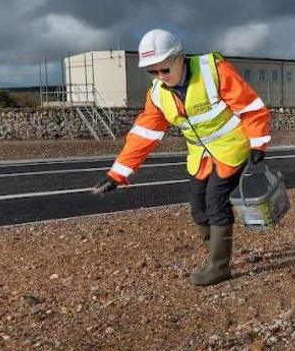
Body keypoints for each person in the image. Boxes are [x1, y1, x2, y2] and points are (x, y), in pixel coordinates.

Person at [92, 28, 270, 286]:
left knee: (215, 201)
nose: (161, 77)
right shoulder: (158, 94)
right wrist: (117, 174)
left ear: (179, 57)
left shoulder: (214, 70)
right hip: (200, 156)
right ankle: (214, 256)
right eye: (153, 72)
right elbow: (144, 134)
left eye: (165, 69)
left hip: (232, 149)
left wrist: (258, 143)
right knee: (198, 207)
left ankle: (219, 267)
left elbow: (251, 107)